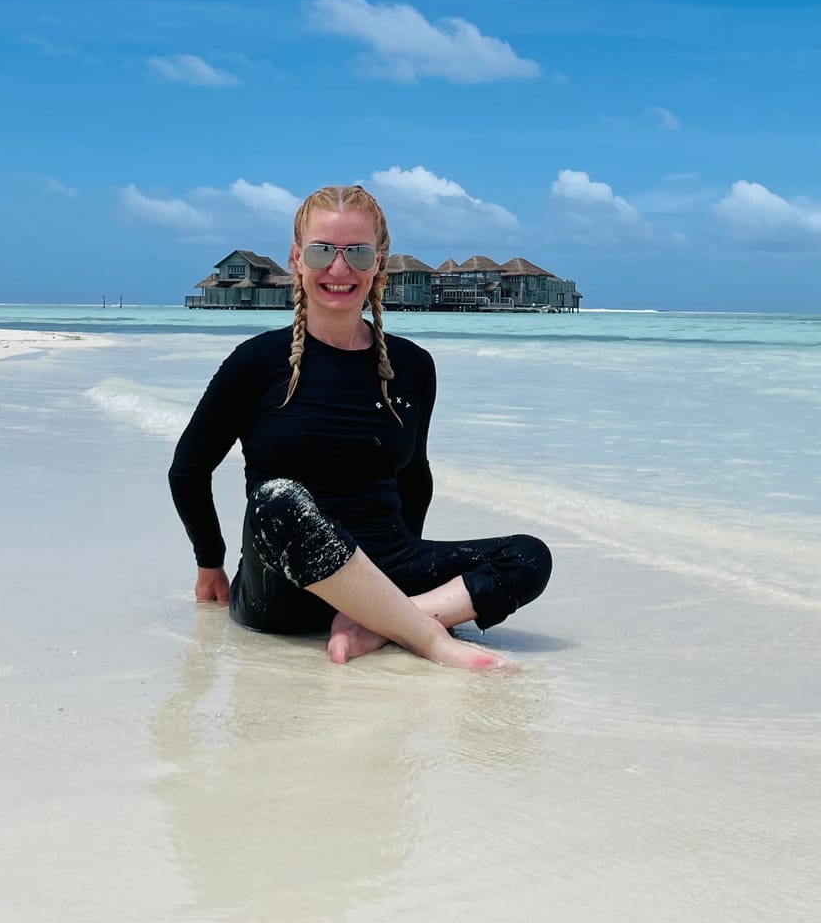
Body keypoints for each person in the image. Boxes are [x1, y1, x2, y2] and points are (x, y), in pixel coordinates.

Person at [168, 184, 553, 671]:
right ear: (296, 259)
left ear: (380, 263)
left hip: (387, 571)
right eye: (322, 251)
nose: (339, 268)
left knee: (528, 556)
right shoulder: (257, 361)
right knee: (277, 498)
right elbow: (188, 468)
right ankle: (431, 640)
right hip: (286, 592)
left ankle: (385, 622)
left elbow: (414, 476)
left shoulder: (413, 366)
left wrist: (398, 581)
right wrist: (210, 564)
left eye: (358, 252)